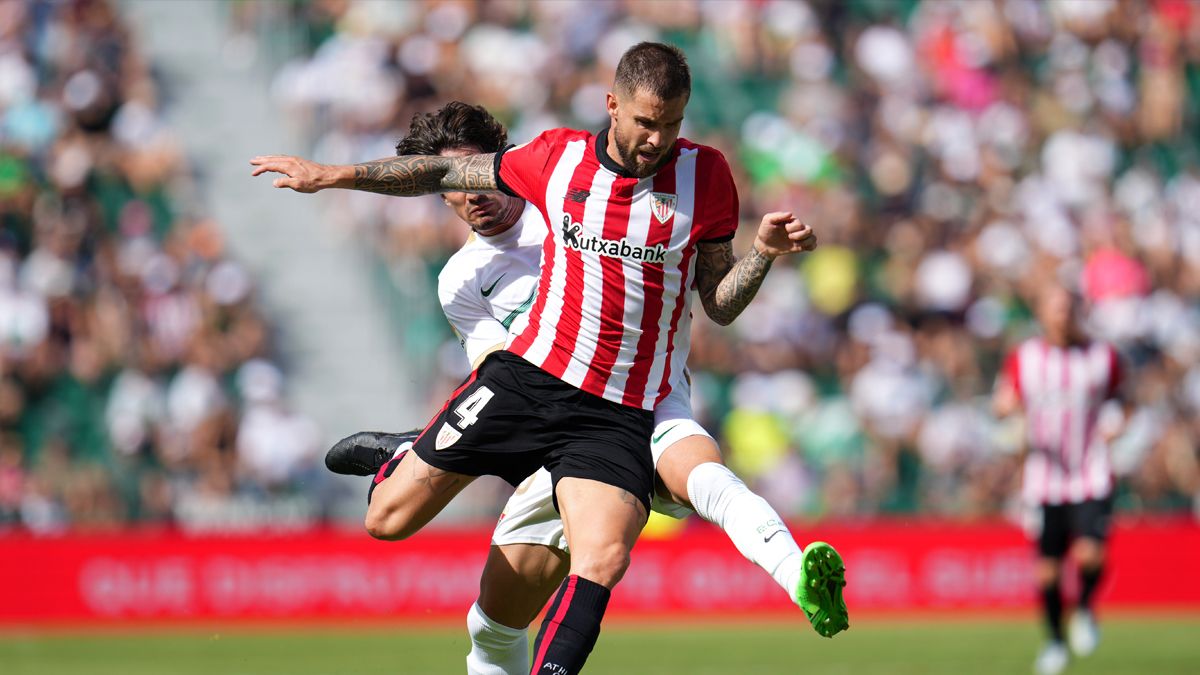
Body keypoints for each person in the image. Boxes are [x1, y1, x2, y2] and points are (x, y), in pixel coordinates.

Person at [252, 42, 845, 674]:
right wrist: (332, 174)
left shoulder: (706, 177)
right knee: (388, 524)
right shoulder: (547, 171)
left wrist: (762, 253)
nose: (656, 139)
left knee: (606, 557)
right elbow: (445, 174)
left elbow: (720, 305)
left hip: (628, 406)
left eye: (671, 123)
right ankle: (411, 453)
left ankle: (792, 571)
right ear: (612, 105)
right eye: (646, 122)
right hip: (529, 381)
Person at [993, 284, 1126, 675]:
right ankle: (1054, 641)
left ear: (1077, 311)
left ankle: (1084, 607)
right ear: (1042, 314)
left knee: (1090, 554)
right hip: (1045, 476)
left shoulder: (1102, 357)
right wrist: (1004, 412)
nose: (1062, 316)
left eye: (1067, 308)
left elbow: (1123, 399)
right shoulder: (1026, 358)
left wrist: (1118, 424)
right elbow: (1006, 400)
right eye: (1054, 309)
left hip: (1090, 471)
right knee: (1048, 572)